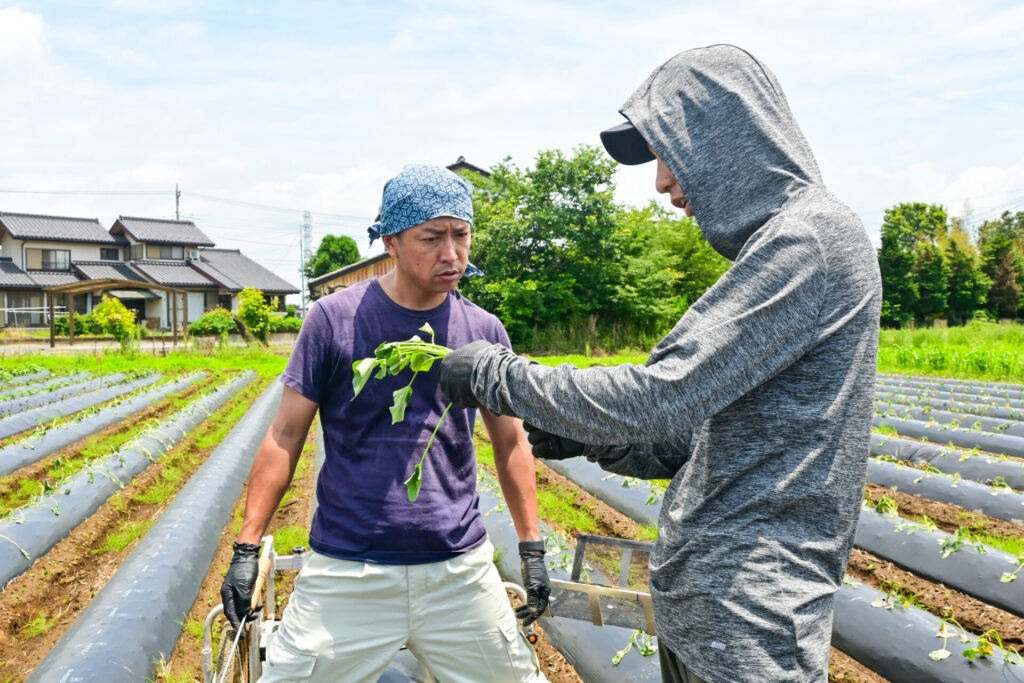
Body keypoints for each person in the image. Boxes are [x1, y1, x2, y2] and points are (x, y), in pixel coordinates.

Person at [438, 45, 882, 683]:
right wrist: (591, 440)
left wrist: (496, 374)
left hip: (748, 626)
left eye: (669, 156)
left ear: (722, 140)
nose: (662, 183)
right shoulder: (791, 245)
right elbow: (701, 438)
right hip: (713, 616)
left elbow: (659, 395)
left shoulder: (809, 240)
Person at [220, 164, 549, 683]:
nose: (452, 254)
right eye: (432, 238)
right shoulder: (333, 319)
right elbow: (285, 437)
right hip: (350, 568)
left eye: (461, 235)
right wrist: (246, 548)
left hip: (457, 570)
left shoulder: (483, 330)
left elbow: (510, 444)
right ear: (391, 242)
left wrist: (531, 548)